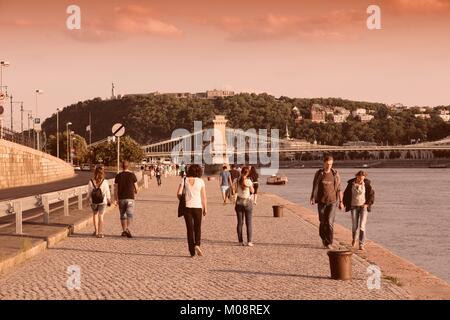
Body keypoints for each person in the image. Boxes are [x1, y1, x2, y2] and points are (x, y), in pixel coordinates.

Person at [310, 155, 343, 249]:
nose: (329, 166)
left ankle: (329, 242)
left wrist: (341, 202)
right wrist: (312, 197)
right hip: (321, 201)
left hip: (333, 201)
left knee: (329, 222)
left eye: (331, 164)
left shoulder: (335, 174)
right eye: (327, 164)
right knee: (322, 221)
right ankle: (323, 238)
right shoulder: (319, 174)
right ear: (323, 163)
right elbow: (314, 186)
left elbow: (339, 188)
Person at [177, 164, 207, 257]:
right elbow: (204, 197)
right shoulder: (201, 181)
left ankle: (192, 251)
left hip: (187, 207)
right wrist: (205, 208)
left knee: (189, 229)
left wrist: (182, 200)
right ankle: (197, 244)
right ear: (199, 172)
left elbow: (178, 193)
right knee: (197, 228)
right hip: (198, 207)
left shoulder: (184, 179)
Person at [343, 171, 375, 251]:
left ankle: (361, 244)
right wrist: (344, 203)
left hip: (363, 207)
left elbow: (371, 195)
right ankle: (354, 239)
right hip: (354, 206)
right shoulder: (351, 184)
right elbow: (346, 194)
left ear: (364, 178)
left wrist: (367, 204)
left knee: (362, 226)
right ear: (356, 177)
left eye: (362, 178)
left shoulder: (367, 185)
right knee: (354, 226)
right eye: (359, 177)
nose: (361, 179)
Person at [114, 160, 139, 238]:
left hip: (121, 198)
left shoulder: (118, 175)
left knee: (122, 215)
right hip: (130, 198)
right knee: (130, 215)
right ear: (129, 166)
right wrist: (135, 191)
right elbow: (136, 188)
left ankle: (124, 230)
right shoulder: (132, 175)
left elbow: (116, 189)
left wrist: (116, 198)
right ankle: (127, 229)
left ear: (122, 166)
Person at [88, 166, 111, 238]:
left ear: (95, 173)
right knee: (101, 216)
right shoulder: (105, 181)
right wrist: (109, 199)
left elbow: (89, 192)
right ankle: (100, 233)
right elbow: (107, 191)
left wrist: (87, 199)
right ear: (102, 173)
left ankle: (96, 231)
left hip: (93, 201)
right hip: (102, 201)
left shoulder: (91, 181)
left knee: (95, 215)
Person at [235, 166, 255, 246]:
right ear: (248, 173)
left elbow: (234, 189)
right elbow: (253, 191)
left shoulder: (236, 180)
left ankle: (240, 241)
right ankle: (249, 241)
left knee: (240, 223)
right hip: (247, 203)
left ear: (241, 172)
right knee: (249, 222)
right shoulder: (248, 181)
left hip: (239, 202)